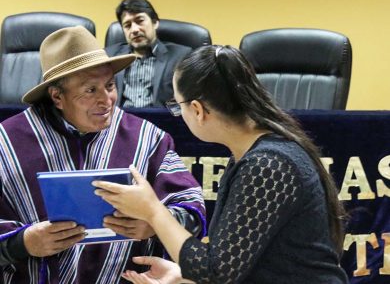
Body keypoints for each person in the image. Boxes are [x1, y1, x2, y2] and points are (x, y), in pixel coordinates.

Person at [94, 45, 349, 283]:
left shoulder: (266, 165)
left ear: (197, 109)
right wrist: (183, 275)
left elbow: (217, 274)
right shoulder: (259, 155)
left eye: (177, 105)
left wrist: (153, 210)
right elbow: (235, 260)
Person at [0, 26, 205, 283]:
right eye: (90, 90)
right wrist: (22, 243)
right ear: (57, 97)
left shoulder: (148, 139)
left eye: (109, 85)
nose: (106, 100)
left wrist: (157, 223)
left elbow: (192, 208)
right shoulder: (6, 143)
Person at [105, 0, 192, 108]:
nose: (134, 30)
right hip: (122, 121)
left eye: (139, 21)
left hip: (161, 121)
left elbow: (188, 100)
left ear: (155, 23)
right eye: (127, 25)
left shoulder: (181, 56)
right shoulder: (110, 56)